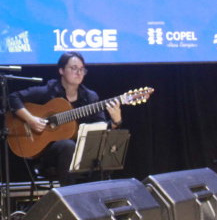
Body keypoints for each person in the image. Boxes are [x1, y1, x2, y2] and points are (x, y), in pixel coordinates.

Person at [9, 51, 132, 186]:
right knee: (67, 145)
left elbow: (101, 128)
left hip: (83, 152)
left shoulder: (90, 97)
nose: (78, 73)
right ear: (61, 70)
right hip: (48, 154)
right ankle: (70, 200)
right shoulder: (48, 91)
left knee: (110, 148)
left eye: (81, 69)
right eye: (73, 68)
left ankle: (91, 195)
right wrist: (31, 120)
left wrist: (115, 122)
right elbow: (13, 98)